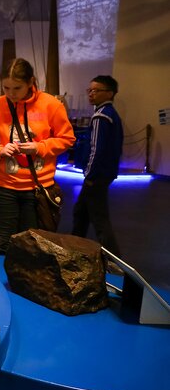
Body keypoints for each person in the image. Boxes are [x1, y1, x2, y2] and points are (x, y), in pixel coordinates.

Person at [0, 58, 75, 254]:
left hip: (38, 187)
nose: (11, 94)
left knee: (33, 243)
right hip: (6, 186)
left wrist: (39, 147)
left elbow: (67, 138)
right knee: (4, 241)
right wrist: (0, 150)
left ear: (31, 82)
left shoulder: (51, 105)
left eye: (17, 88)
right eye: (6, 88)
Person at [71, 75, 123, 256]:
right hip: (104, 173)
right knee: (81, 213)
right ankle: (74, 248)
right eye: (90, 90)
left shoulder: (101, 116)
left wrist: (89, 174)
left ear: (110, 93)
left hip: (97, 176)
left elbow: (96, 148)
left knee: (99, 219)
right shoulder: (110, 113)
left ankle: (114, 260)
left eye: (96, 90)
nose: (91, 94)